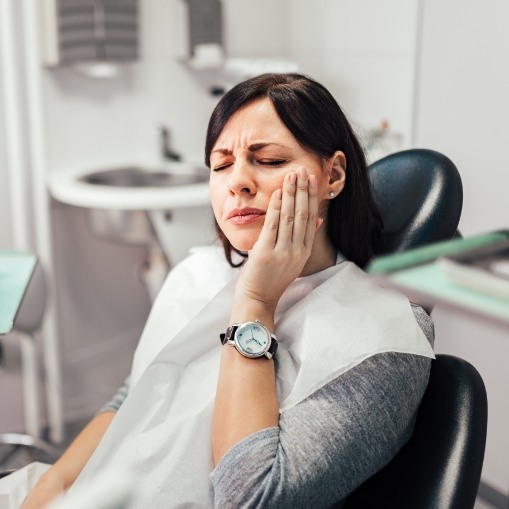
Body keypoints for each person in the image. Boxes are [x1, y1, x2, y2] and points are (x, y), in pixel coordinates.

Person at [19, 73, 434, 508]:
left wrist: (256, 302)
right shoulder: (198, 273)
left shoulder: (385, 340)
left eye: (270, 160)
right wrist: (49, 490)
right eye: (221, 165)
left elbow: (252, 498)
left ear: (332, 175)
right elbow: (138, 393)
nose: (238, 181)